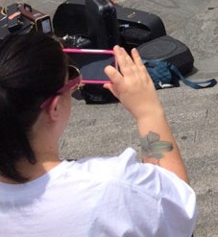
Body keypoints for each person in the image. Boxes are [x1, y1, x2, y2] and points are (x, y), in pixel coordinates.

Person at [0, 32, 196, 234]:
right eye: (72, 75)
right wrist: (148, 112)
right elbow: (179, 206)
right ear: (54, 108)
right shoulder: (111, 187)